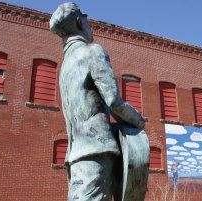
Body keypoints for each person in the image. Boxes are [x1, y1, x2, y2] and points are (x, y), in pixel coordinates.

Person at [50, 3, 145, 201]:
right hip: (97, 153)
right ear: (78, 21)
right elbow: (113, 101)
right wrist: (138, 120)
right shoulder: (93, 52)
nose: (88, 22)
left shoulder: (64, 68)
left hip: (75, 156)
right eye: (85, 18)